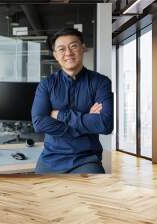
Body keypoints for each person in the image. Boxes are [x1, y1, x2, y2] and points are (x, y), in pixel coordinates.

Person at [31, 27, 113, 174]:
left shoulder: (100, 82)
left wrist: (60, 115)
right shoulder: (47, 84)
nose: (68, 53)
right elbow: (39, 123)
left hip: (87, 159)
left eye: (73, 46)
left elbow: (105, 124)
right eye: (61, 49)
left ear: (83, 48)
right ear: (56, 55)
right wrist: (85, 124)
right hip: (51, 159)